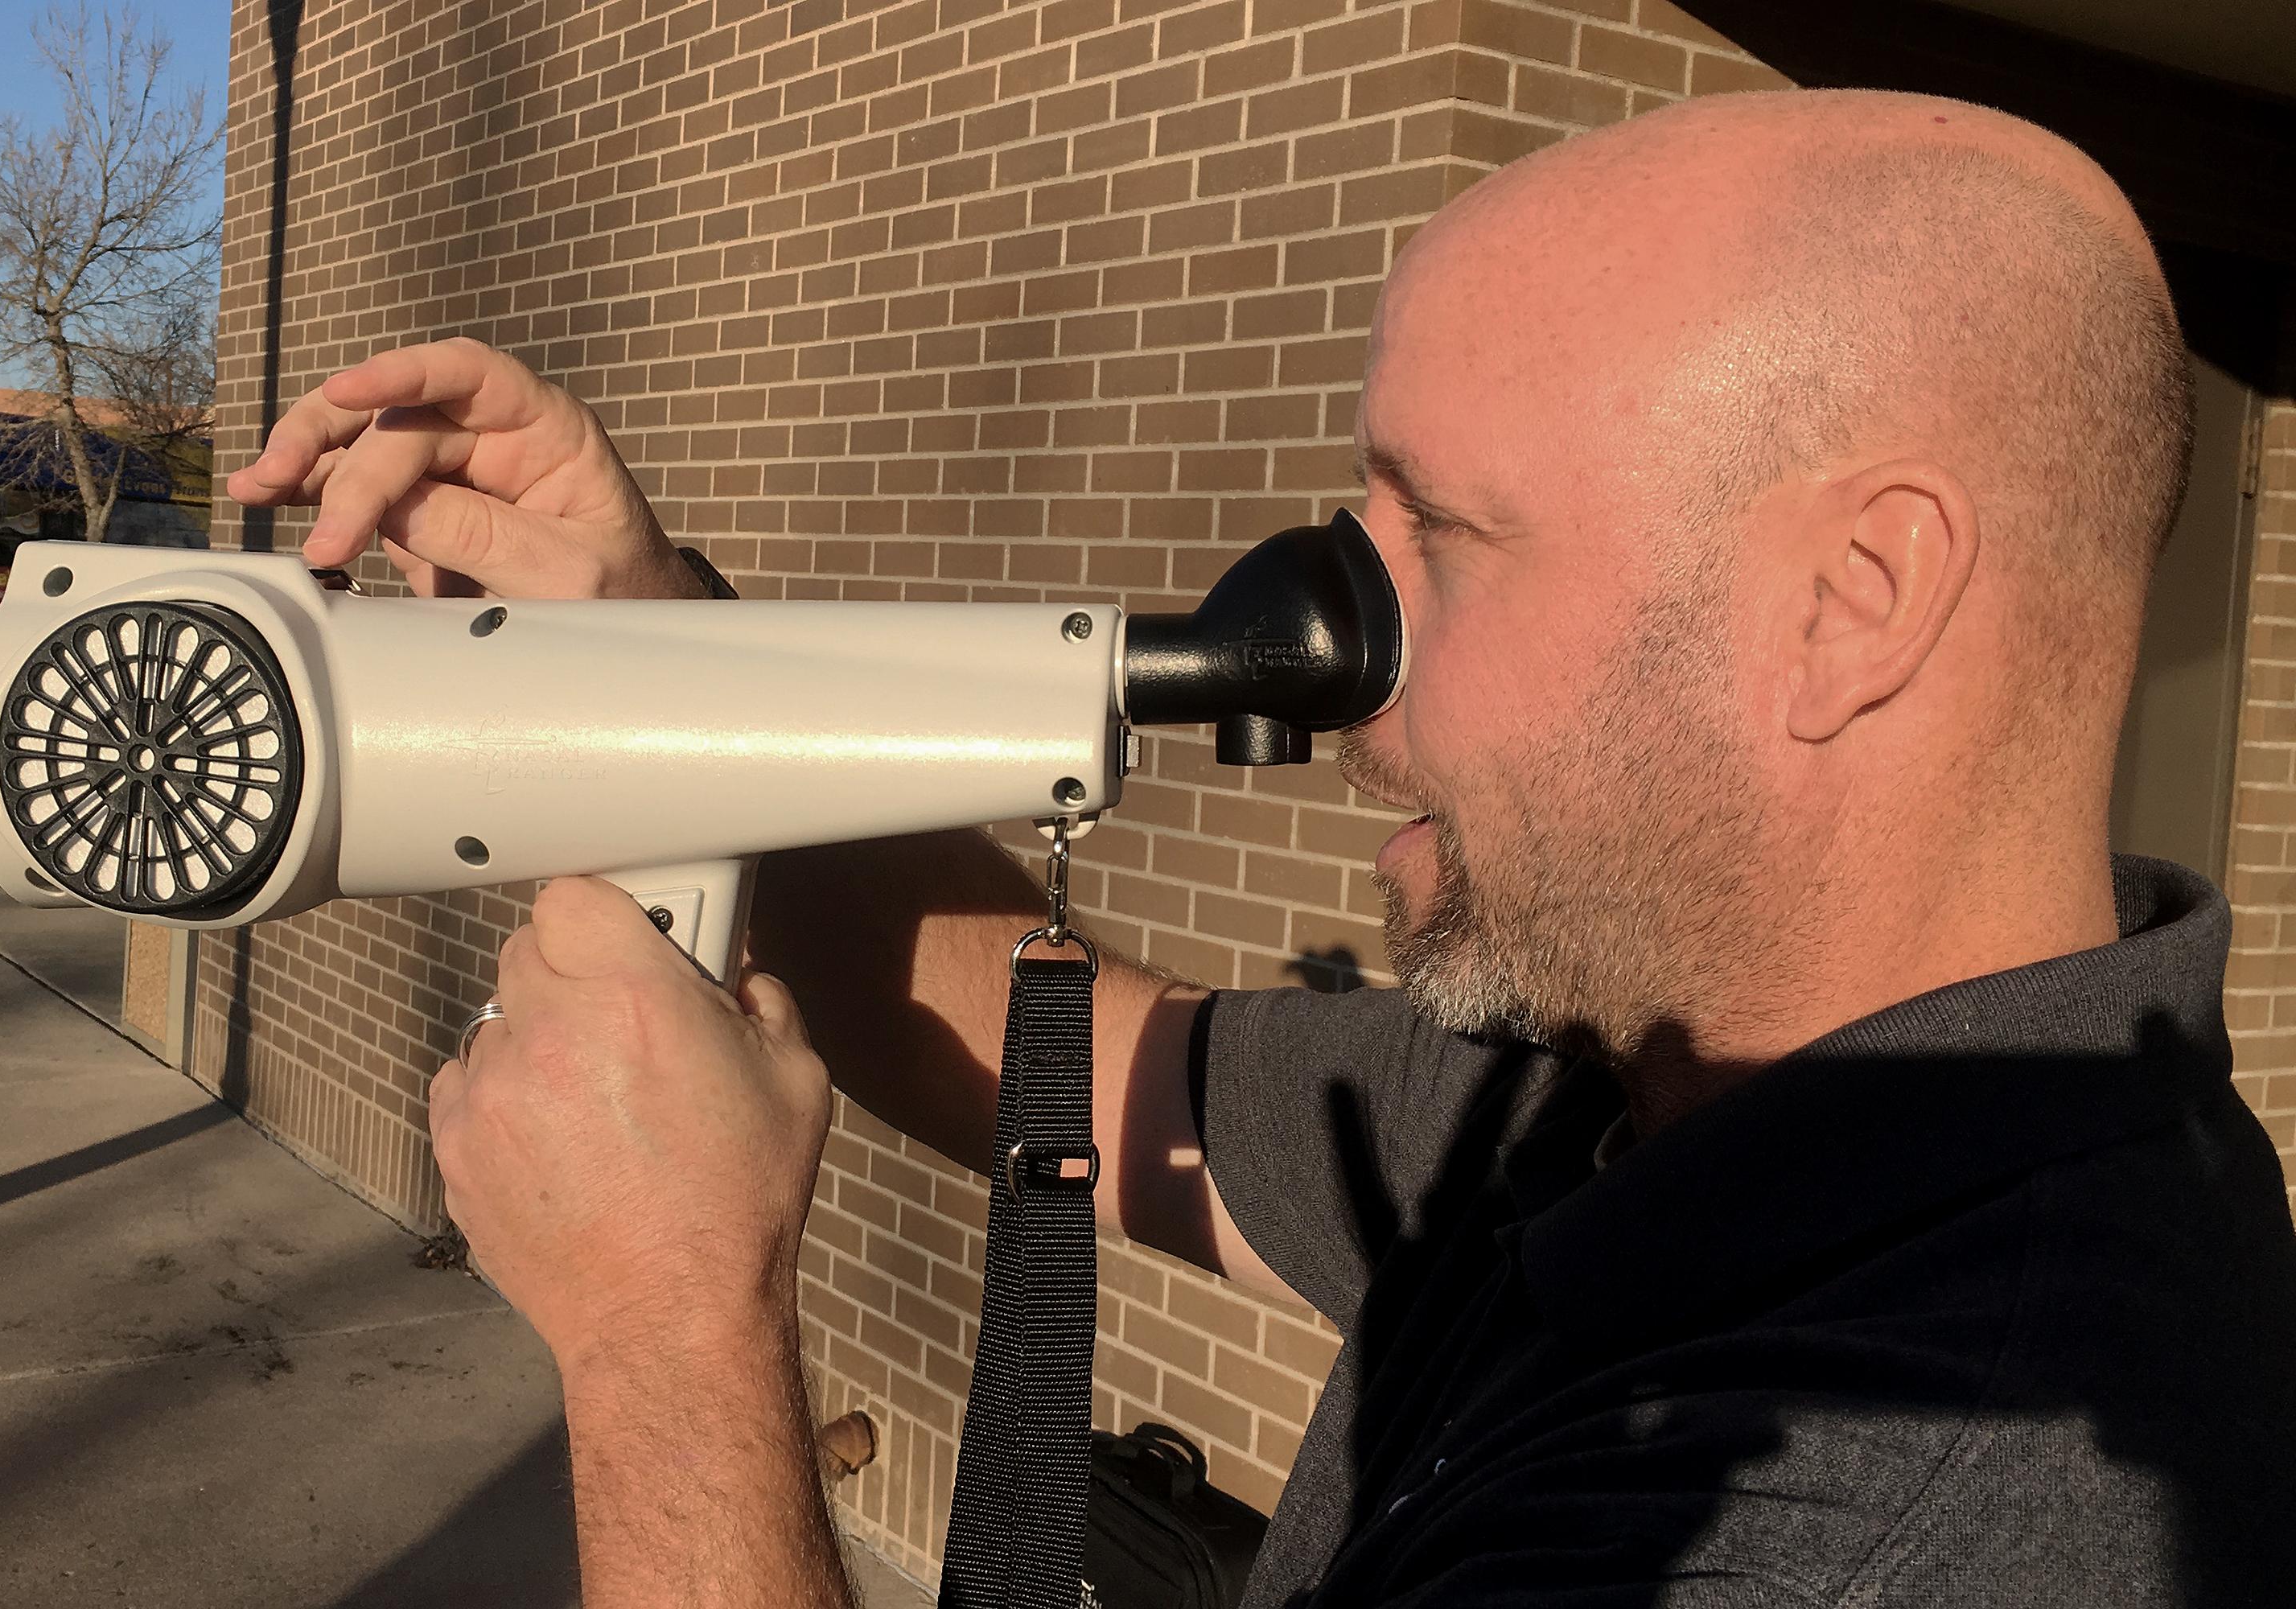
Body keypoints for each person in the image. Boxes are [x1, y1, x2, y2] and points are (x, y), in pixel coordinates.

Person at [229, 88, 2296, 1607]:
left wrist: (672, 1342)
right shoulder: (1635, 1094)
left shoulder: (1900, 1505)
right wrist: (656, 649)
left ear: (1858, 598)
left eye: (1441, 539)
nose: (1330, 667)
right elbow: (1090, 1066)